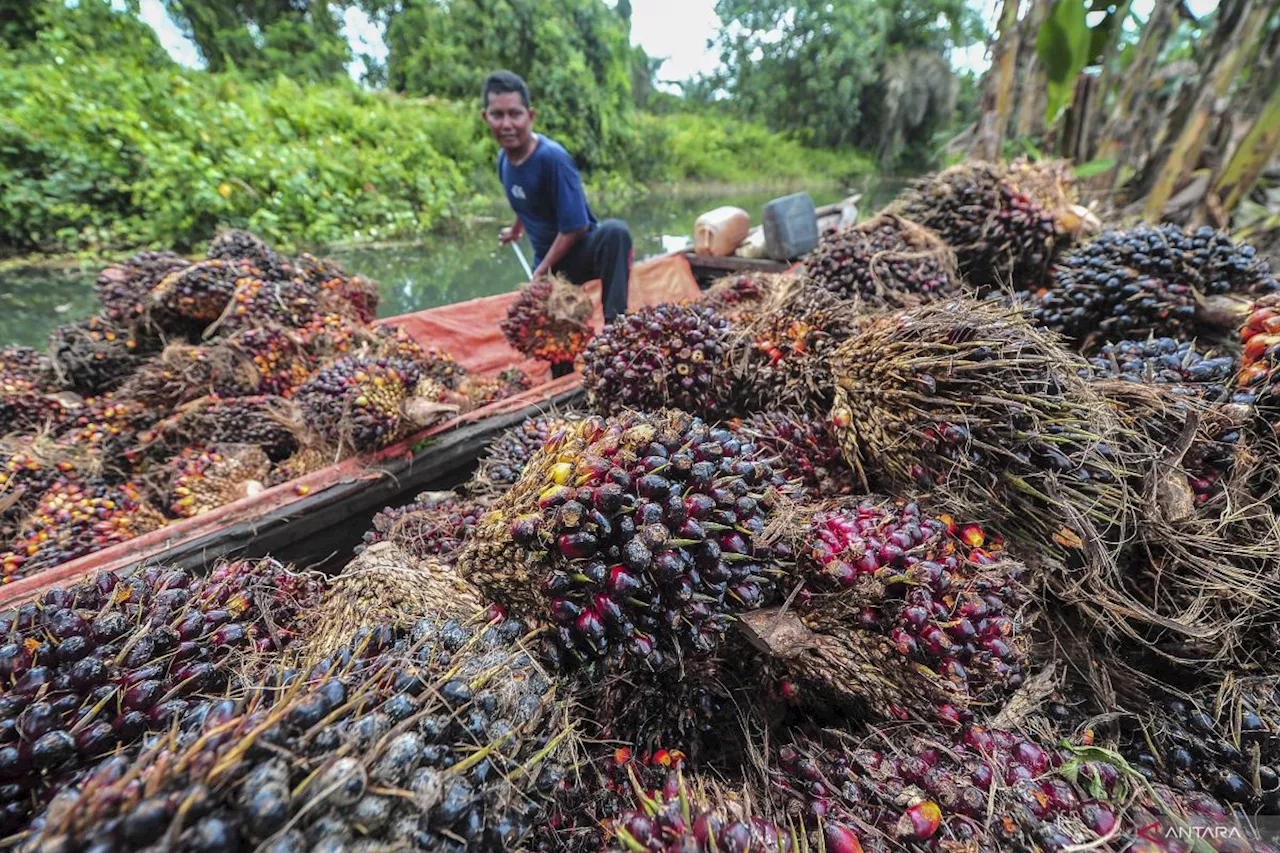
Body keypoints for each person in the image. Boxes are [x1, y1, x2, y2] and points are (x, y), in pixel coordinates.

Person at [482, 69, 632, 377]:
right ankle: (563, 377)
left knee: (616, 232)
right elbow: (524, 200)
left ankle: (617, 335)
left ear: (530, 115)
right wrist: (515, 230)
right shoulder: (503, 159)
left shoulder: (553, 159)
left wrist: (540, 271)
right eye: (498, 115)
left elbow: (575, 226)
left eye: (515, 114)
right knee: (548, 333)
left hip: (579, 251)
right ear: (487, 117)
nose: (507, 124)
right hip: (549, 263)